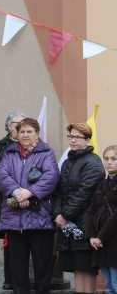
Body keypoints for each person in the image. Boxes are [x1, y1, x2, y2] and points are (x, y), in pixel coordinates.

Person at [0, 118, 59, 294]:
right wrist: (17, 192)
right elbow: (2, 175)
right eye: (22, 131)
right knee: (17, 267)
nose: (25, 135)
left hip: (40, 218)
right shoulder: (9, 153)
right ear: (17, 134)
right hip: (14, 220)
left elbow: (51, 177)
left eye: (29, 131)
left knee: (43, 266)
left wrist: (29, 193)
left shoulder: (46, 153)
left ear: (37, 134)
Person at [53, 123, 105, 294]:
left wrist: (65, 214)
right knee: (76, 268)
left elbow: (84, 193)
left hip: (85, 223)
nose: (73, 140)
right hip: (68, 224)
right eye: (70, 136)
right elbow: (60, 190)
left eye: (77, 137)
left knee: (86, 268)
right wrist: (58, 213)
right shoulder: (68, 161)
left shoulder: (93, 162)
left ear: (87, 140)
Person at [0, 110, 26, 289]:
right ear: (8, 126)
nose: (20, 128)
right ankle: (10, 279)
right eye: (16, 124)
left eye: (23, 124)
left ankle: (24, 280)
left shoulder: (32, 144)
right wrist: (7, 190)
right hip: (5, 199)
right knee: (10, 241)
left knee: (26, 240)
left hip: (27, 198)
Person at [85, 145, 117, 294]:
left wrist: (100, 237)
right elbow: (91, 211)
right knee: (109, 286)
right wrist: (92, 236)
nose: (109, 162)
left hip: (113, 240)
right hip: (100, 243)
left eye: (114, 158)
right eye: (106, 158)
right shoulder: (102, 183)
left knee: (116, 285)